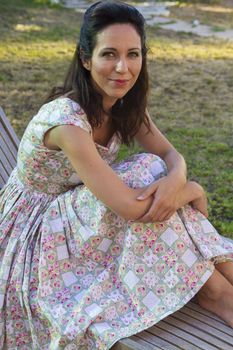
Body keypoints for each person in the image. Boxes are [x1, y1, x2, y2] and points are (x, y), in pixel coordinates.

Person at [0, 0, 233, 349]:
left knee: (152, 170)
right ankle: (217, 291)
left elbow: (170, 155)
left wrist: (179, 180)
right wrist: (189, 190)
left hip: (78, 211)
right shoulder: (67, 122)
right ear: (85, 59)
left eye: (133, 54)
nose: (123, 67)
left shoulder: (122, 102)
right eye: (109, 54)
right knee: (144, 173)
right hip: (36, 233)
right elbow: (130, 208)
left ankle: (223, 279)